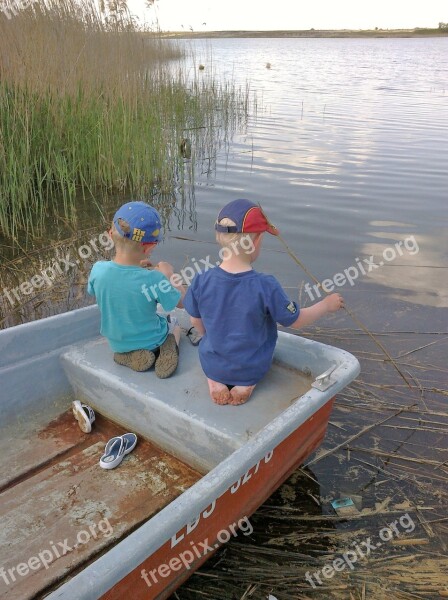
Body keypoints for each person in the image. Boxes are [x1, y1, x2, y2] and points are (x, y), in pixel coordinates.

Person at [183, 199, 344, 405]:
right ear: (257, 241)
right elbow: (296, 320)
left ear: (219, 237)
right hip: (251, 367)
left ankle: (216, 381)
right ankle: (245, 384)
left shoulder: (201, 279)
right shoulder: (266, 286)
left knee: (210, 351)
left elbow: (195, 319)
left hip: (212, 361)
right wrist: (325, 305)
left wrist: (210, 336)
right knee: (249, 366)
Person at [87, 201, 185, 379]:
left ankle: (124, 356)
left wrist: (135, 267)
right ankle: (170, 347)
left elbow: (99, 289)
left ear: (110, 235)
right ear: (150, 247)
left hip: (117, 343)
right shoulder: (154, 279)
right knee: (175, 323)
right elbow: (182, 302)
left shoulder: (98, 269)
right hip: (152, 342)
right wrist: (170, 276)